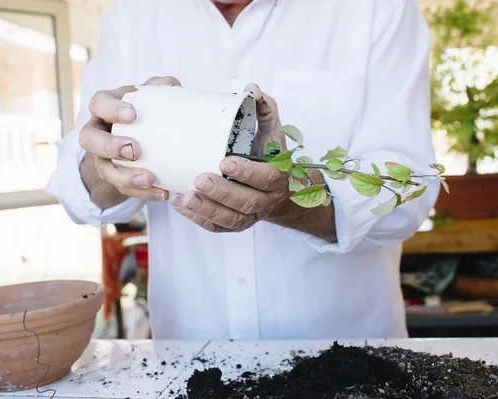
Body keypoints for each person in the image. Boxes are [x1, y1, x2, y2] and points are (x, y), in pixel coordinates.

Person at [46, 0, 440, 340]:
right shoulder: (135, 13)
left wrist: (286, 199)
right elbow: (78, 194)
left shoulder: (375, 9)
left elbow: (407, 191)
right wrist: (110, 158)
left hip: (352, 359)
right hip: (188, 358)